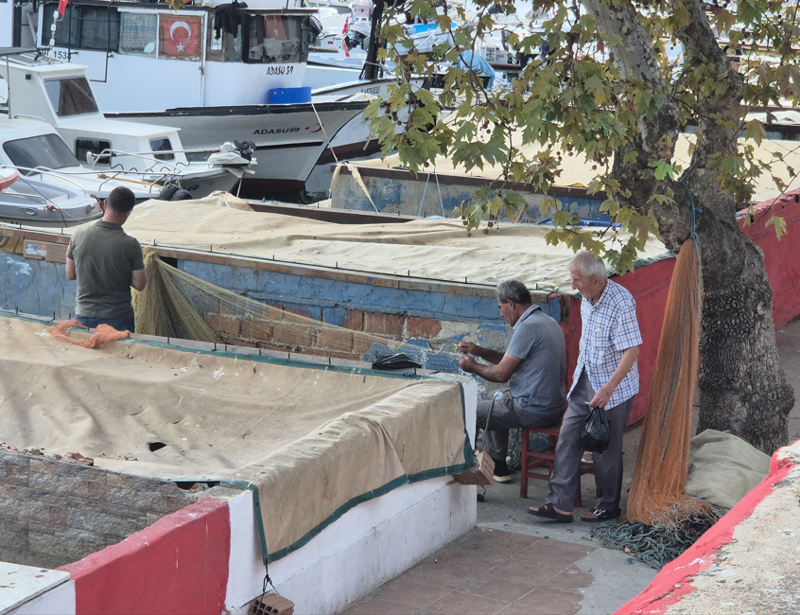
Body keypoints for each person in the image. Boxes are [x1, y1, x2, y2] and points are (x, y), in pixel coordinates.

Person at [529, 251, 642, 523]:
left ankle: (608, 505)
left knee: (605, 448)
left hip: (613, 387)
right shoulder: (587, 299)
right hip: (585, 378)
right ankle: (559, 505)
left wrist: (608, 389)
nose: (573, 286)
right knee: (568, 437)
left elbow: (632, 350)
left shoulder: (621, 302)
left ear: (594, 279)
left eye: (577, 280)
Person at [458, 280, 566, 483]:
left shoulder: (528, 328)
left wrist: (472, 367)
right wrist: (479, 351)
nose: (500, 314)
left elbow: (501, 374)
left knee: (466, 411)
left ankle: (471, 476)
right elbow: (509, 362)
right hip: (553, 404)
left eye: (501, 307)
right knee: (493, 397)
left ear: (511, 303)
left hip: (532, 408)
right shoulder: (546, 321)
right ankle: (498, 465)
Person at [65, 186, 146, 333]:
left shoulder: (78, 234)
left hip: (85, 315)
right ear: (129, 212)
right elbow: (140, 284)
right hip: (119, 319)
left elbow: (71, 274)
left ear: (106, 204)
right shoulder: (131, 244)